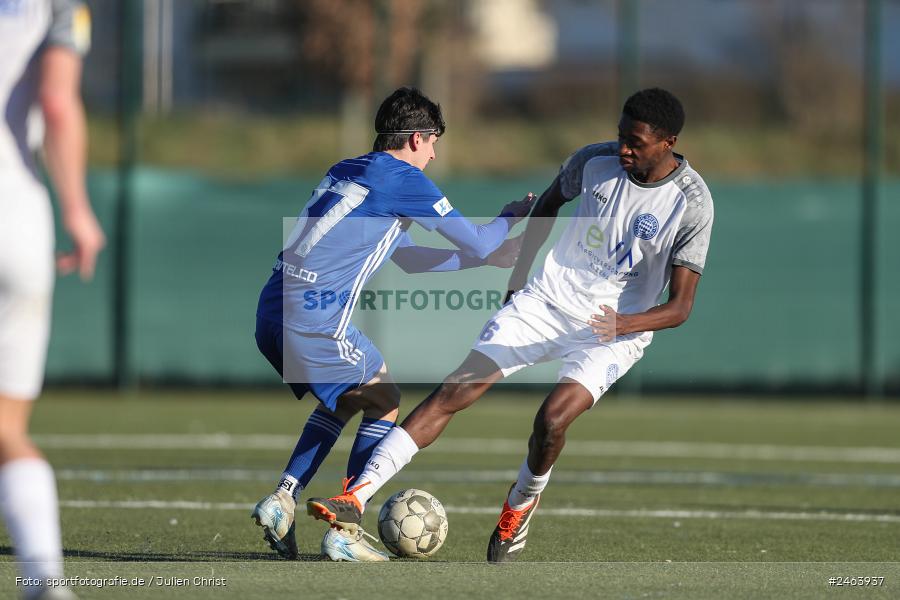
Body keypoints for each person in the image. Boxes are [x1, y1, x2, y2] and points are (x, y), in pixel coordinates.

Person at [306, 88, 714, 562]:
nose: (623, 148)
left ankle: (519, 505)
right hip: (547, 300)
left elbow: (680, 307)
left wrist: (624, 322)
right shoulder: (594, 161)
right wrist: (520, 280)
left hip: (614, 328)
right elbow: (546, 205)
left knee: (552, 421)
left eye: (636, 143)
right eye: (621, 136)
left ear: (668, 142)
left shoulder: (693, 203)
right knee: (456, 389)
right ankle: (354, 497)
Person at [252, 86, 533, 561]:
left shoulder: (346, 170)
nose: (435, 152)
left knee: (354, 397)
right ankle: (347, 525)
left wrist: (480, 260)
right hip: (315, 318)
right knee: (386, 399)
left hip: (271, 310)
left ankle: (284, 497)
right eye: (434, 142)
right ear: (418, 138)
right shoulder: (405, 179)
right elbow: (481, 242)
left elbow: (406, 258)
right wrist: (509, 218)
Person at [0, 1, 105, 598]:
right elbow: (58, 103)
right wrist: (78, 212)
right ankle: (43, 579)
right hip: (15, 217)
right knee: (7, 429)